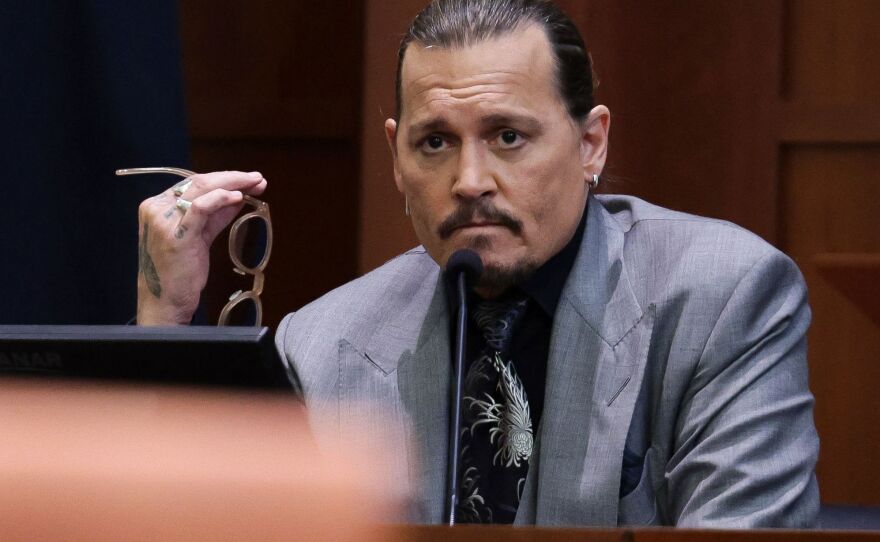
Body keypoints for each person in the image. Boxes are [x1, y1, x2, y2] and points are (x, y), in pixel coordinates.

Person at [136, 0, 819, 528]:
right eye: (435, 143)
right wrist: (165, 321)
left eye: (508, 136)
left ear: (591, 144)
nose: (469, 180)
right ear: (397, 159)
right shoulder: (324, 345)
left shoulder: (721, 298)